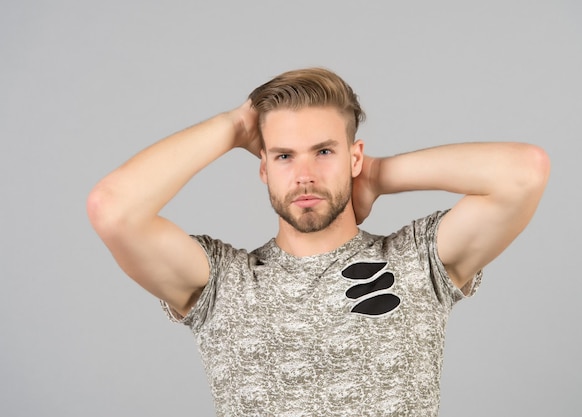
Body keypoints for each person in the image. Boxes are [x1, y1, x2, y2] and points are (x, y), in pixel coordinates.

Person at [87, 67, 550, 416]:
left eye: (324, 151)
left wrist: (379, 176)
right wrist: (234, 126)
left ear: (354, 156)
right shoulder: (222, 284)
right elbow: (113, 209)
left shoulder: (416, 261)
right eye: (284, 156)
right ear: (264, 168)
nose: (305, 175)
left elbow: (524, 173)